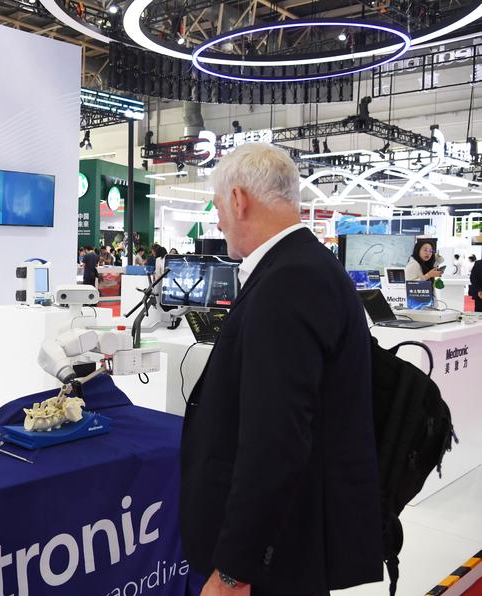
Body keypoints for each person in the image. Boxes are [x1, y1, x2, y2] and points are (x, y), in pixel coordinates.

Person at [179, 143, 382, 596]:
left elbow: (275, 441)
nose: (218, 222)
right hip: (287, 538)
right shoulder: (304, 266)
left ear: (238, 200)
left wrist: (234, 570)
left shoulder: (289, 281)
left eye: (217, 207)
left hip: (276, 555)